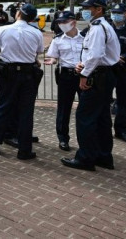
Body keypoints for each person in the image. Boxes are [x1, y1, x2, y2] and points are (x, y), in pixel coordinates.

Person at [62, 0, 120, 171]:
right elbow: (94, 55)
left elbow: (95, 55)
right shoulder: (104, 26)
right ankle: (103, 156)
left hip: (97, 76)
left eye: (88, 8)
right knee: (102, 117)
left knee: (85, 117)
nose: (84, 10)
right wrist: (83, 63)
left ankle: (86, 158)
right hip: (104, 75)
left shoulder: (97, 28)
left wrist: (84, 74)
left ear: (99, 9)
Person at [0, 3, 45, 159]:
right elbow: (38, 53)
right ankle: (24, 150)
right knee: (26, 111)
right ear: (32, 18)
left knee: (3, 107)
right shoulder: (36, 33)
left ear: (18, 13)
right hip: (28, 73)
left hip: (9, 72)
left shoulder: (3, 30)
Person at [44, 11, 84, 151]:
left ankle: (85, 140)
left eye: (63, 22)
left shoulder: (85, 38)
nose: (61, 25)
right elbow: (54, 56)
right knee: (64, 108)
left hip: (84, 76)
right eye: (59, 22)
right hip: (66, 75)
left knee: (85, 108)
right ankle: (63, 139)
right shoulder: (58, 39)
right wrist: (53, 60)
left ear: (73, 22)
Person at [109, 4, 126, 144]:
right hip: (108, 70)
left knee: (123, 102)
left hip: (125, 70)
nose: (115, 15)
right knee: (104, 101)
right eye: (113, 12)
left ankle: (121, 130)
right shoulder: (106, 29)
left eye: (119, 12)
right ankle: (104, 129)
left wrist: (124, 57)